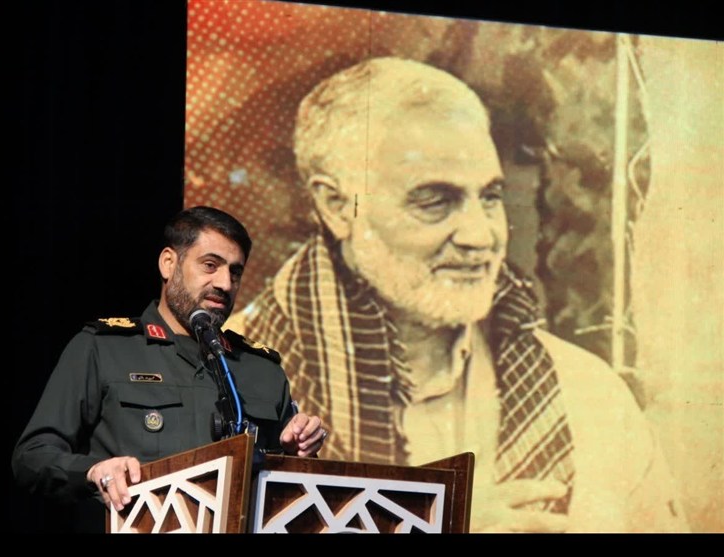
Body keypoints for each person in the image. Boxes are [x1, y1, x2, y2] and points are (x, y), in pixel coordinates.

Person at [228, 57, 689, 533]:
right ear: (338, 206)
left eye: (490, 198)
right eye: (434, 200)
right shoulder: (221, 383)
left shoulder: (589, 395)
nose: (479, 235)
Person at [11, 206, 328, 532]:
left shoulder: (262, 370)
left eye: (235, 272)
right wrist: (94, 472)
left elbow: (292, 497)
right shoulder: (103, 349)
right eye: (210, 265)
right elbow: (32, 456)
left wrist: (298, 453)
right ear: (168, 263)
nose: (224, 283)